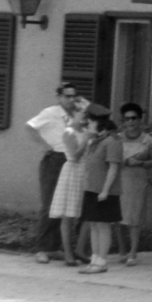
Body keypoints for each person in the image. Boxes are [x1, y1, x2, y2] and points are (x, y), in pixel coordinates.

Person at [25, 83, 80, 262]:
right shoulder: (51, 112)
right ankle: (41, 248)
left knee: (63, 206)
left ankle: (55, 247)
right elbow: (30, 127)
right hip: (55, 160)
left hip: (72, 160)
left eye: (73, 96)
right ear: (59, 97)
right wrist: (45, 145)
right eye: (67, 96)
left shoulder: (77, 114)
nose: (71, 99)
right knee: (49, 204)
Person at [48, 101, 96, 267]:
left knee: (89, 214)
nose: (85, 116)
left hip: (86, 173)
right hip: (73, 172)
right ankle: (68, 253)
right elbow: (74, 156)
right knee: (68, 215)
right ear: (73, 114)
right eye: (82, 113)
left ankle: (80, 250)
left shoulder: (86, 131)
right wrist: (88, 139)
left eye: (86, 113)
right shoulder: (68, 133)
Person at [77, 105, 122, 275]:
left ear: (97, 122)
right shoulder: (96, 141)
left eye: (88, 122)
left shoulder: (113, 141)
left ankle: (102, 261)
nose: (86, 126)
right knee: (94, 224)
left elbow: (113, 168)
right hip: (92, 189)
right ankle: (94, 259)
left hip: (104, 191)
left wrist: (105, 191)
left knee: (102, 226)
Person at [114, 102, 152, 265]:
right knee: (119, 218)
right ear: (123, 121)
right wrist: (123, 161)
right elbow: (112, 158)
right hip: (120, 180)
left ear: (140, 120)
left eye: (134, 118)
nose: (130, 122)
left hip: (138, 181)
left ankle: (133, 252)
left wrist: (140, 163)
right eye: (127, 119)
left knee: (135, 218)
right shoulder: (117, 138)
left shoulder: (149, 140)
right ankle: (121, 250)